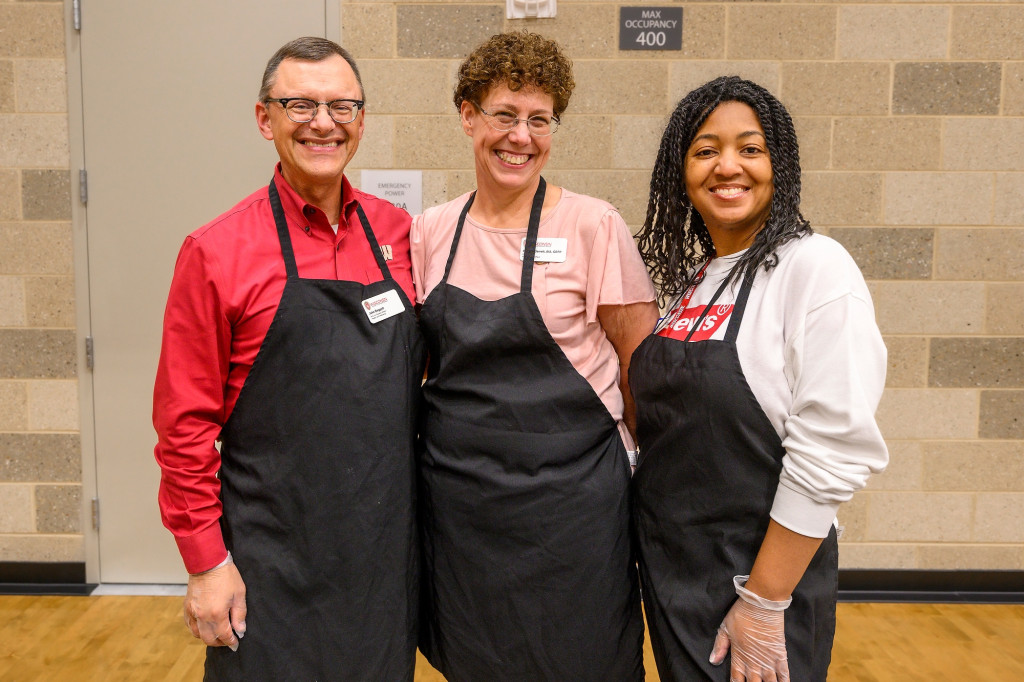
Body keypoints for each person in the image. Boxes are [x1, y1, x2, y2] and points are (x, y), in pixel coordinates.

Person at [152, 37, 424, 681]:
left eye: (341, 105)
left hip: (383, 557)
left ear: (361, 119)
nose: (323, 122)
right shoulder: (215, 251)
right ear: (263, 117)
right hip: (267, 560)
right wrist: (206, 564)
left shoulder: (403, 234)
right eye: (300, 104)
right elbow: (184, 427)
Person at [411, 31, 657, 681]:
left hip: (570, 505)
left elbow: (641, 361)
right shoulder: (432, 231)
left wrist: (632, 459)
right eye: (504, 115)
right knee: (476, 656)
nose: (521, 136)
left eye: (539, 120)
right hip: (463, 505)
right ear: (468, 116)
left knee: (581, 655)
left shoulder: (591, 225)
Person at [630, 76, 888, 681]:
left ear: (781, 165)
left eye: (750, 149)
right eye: (705, 150)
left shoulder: (816, 268)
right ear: (681, 171)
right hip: (676, 573)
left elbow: (832, 448)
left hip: (758, 580)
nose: (727, 166)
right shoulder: (702, 280)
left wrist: (764, 601)